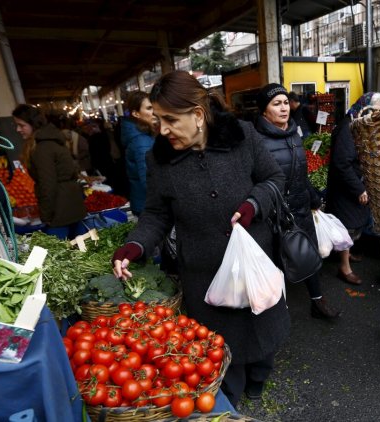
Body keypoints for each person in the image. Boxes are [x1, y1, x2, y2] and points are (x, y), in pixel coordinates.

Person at [110, 71, 290, 407]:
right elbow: (156, 214)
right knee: (222, 345)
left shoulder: (243, 137)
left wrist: (254, 204)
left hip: (254, 260)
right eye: (157, 118)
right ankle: (230, 397)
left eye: (169, 120)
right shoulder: (160, 160)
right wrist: (135, 246)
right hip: (204, 272)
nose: (161, 130)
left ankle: (260, 377)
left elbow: (273, 178)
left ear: (197, 114)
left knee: (262, 325)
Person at [255, 83, 341, 320]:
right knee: (277, 262)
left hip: (301, 209)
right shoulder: (257, 141)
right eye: (276, 104)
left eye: (285, 103)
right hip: (276, 215)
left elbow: (300, 173)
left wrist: (313, 197)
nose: (283, 108)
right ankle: (276, 313)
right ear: (264, 111)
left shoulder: (294, 133)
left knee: (308, 255)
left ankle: (317, 301)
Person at [326, 92, 380, 285]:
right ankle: (344, 268)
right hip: (346, 187)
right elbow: (341, 163)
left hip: (352, 182)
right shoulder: (348, 128)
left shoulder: (358, 124)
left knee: (353, 224)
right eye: (372, 110)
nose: (375, 115)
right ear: (363, 107)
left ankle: (347, 253)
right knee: (347, 227)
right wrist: (359, 189)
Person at [12, 104, 87, 239]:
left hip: (60, 209)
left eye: (21, 125)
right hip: (70, 203)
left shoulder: (42, 148)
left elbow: (47, 183)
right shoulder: (52, 140)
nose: (18, 129)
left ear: (33, 124)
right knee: (82, 245)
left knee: (56, 253)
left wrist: (46, 215)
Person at [120, 91, 156, 215]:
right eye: (149, 108)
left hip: (144, 204)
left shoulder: (143, 136)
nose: (154, 112)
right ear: (136, 113)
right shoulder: (141, 141)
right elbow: (149, 180)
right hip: (149, 207)